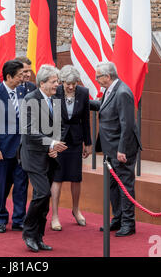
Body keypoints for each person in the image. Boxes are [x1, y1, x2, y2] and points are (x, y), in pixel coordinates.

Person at [20, 64, 67, 252]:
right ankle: (28, 233)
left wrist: (55, 144)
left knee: (44, 199)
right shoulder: (30, 99)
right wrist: (51, 143)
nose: (58, 84)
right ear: (42, 83)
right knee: (42, 193)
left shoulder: (55, 99)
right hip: (32, 156)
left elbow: (59, 127)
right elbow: (29, 130)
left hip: (49, 156)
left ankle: (38, 237)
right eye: (54, 81)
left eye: (57, 81)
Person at [94, 61, 141, 237]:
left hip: (122, 149)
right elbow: (105, 107)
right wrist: (83, 100)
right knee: (113, 186)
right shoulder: (110, 89)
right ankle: (118, 218)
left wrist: (122, 150)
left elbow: (127, 124)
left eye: (98, 76)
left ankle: (129, 223)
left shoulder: (122, 92)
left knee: (125, 186)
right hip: (110, 148)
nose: (96, 79)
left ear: (107, 76)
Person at [0, 60, 28, 233]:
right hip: (3, 148)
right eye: (19, 76)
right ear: (9, 76)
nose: (22, 78)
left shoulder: (23, 90)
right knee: (2, 184)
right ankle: (1, 218)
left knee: (21, 185)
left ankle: (19, 219)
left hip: (22, 148)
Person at [50, 65, 92, 231]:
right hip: (57, 139)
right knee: (57, 177)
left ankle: (76, 209)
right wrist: (50, 143)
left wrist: (88, 143)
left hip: (75, 140)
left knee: (75, 177)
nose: (71, 86)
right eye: (68, 83)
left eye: (74, 83)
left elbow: (86, 119)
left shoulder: (83, 92)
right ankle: (54, 215)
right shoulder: (55, 91)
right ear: (62, 82)